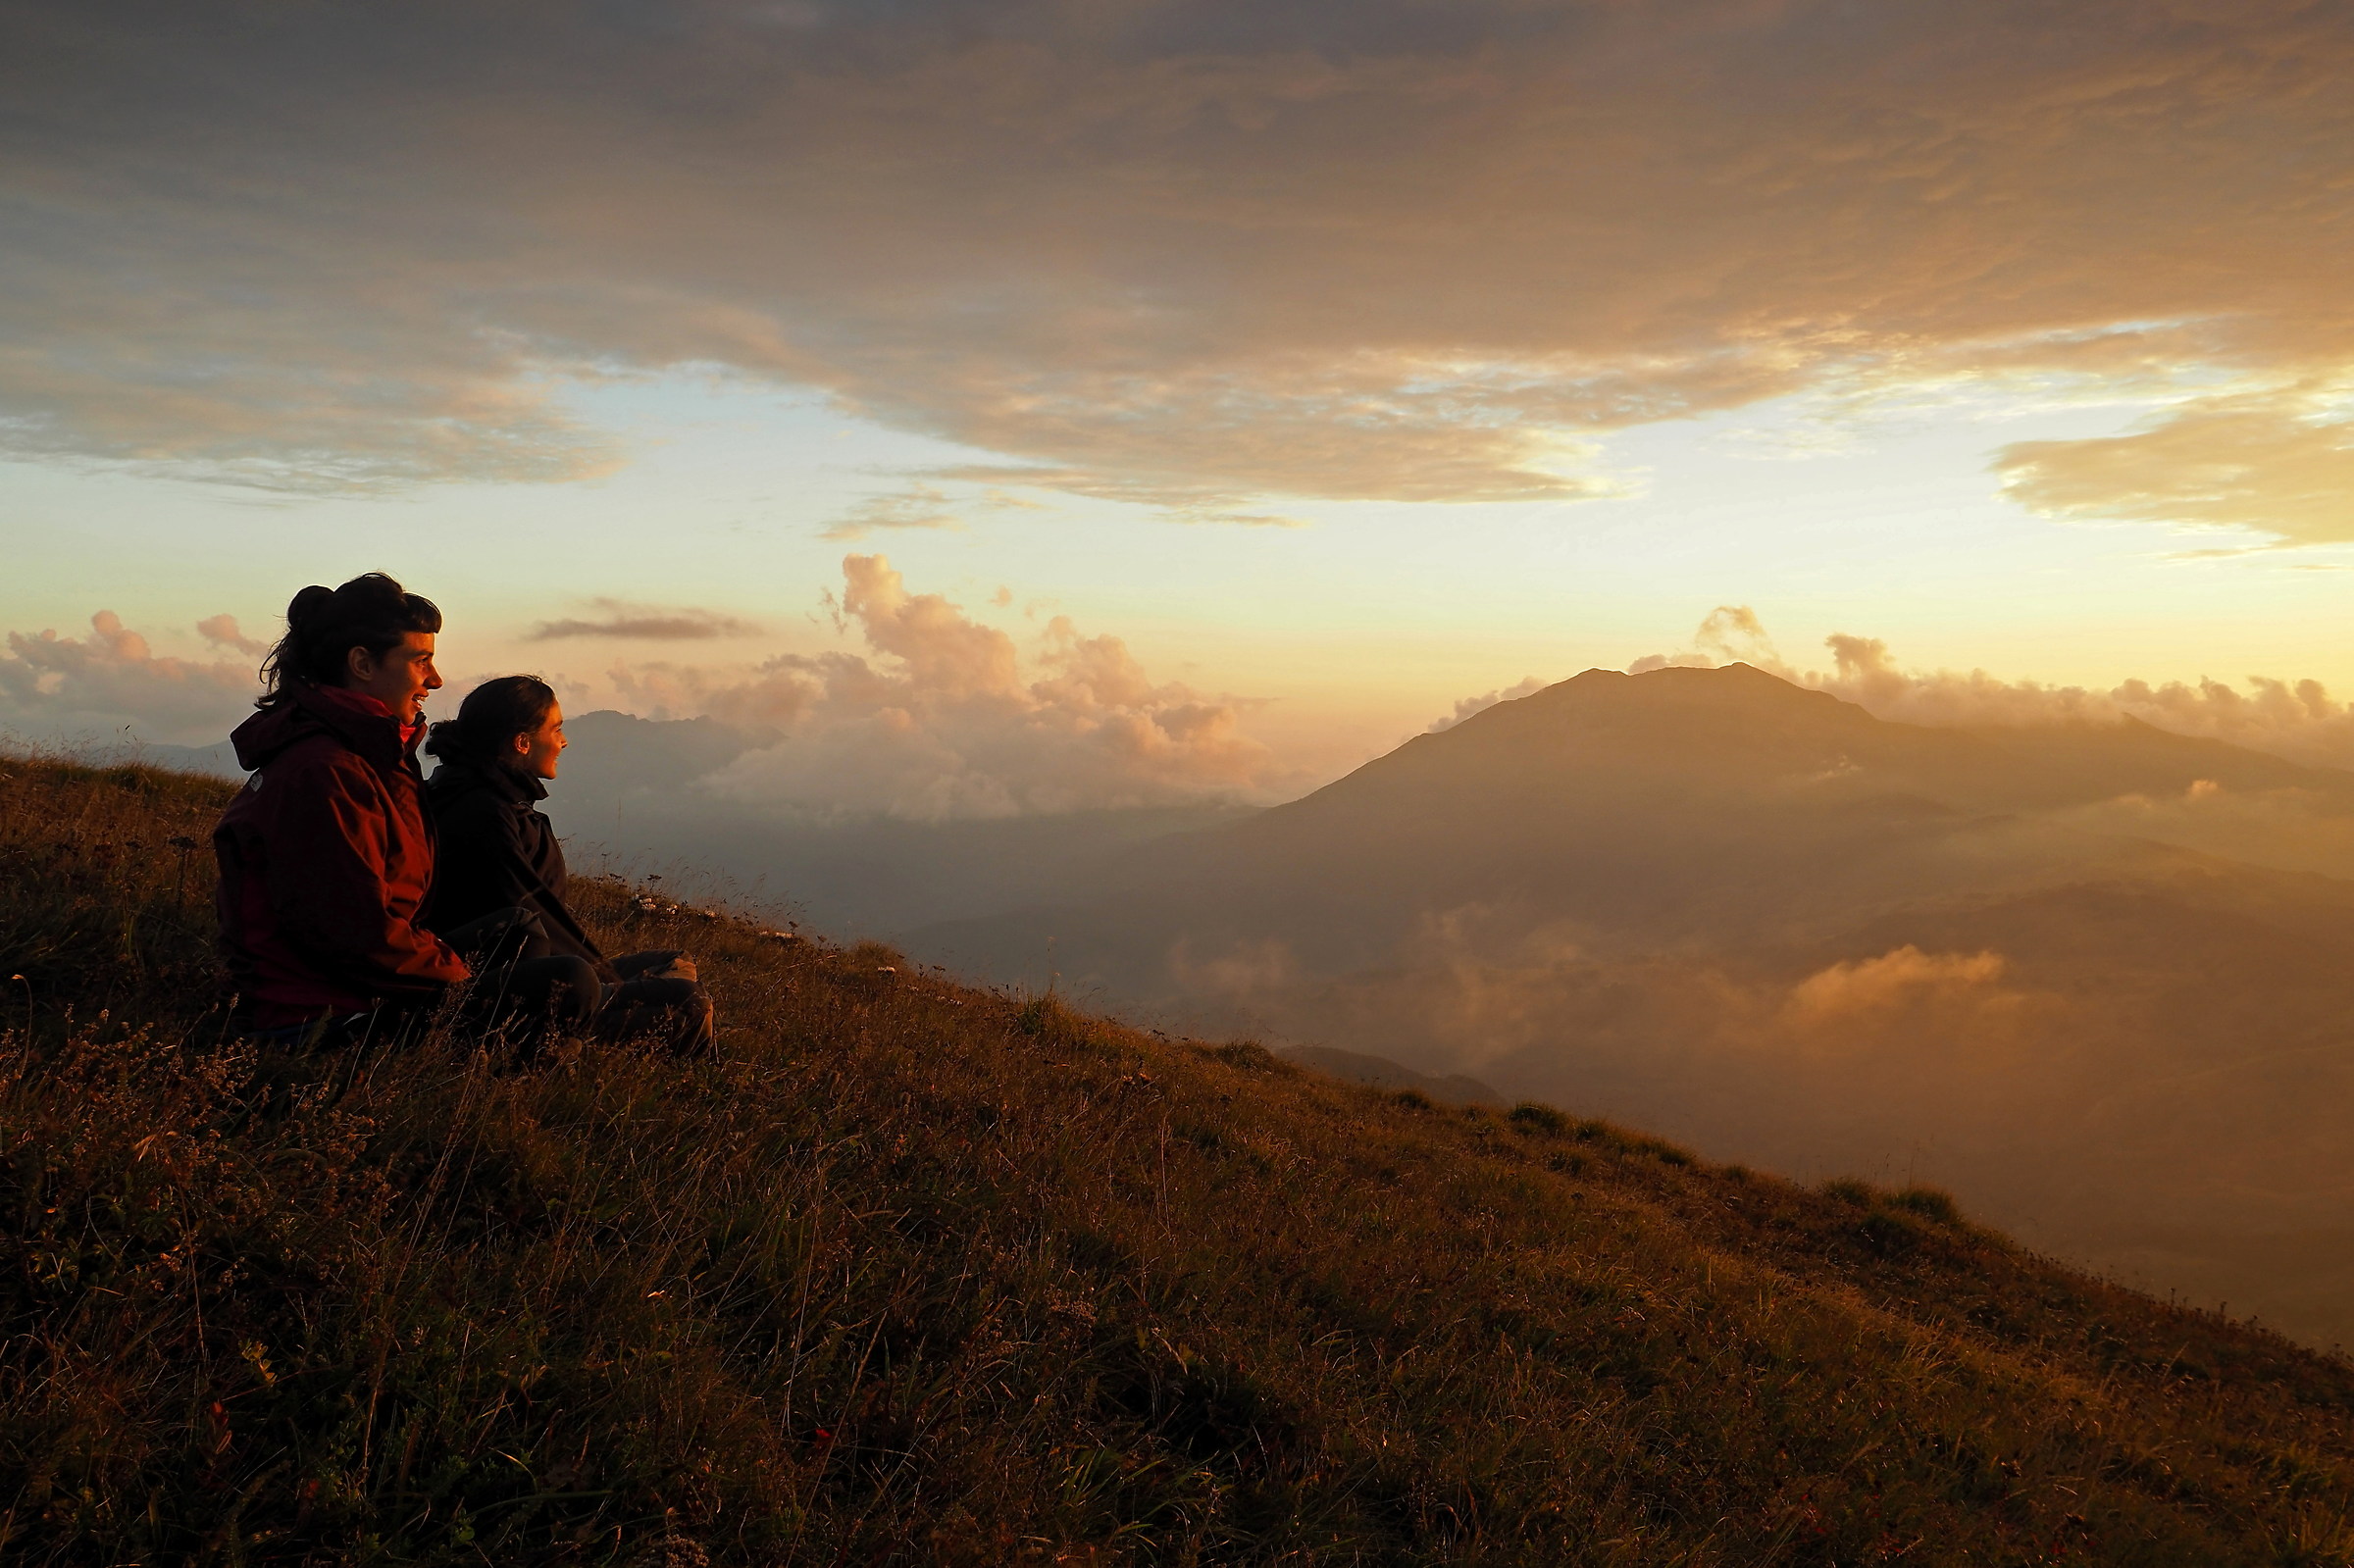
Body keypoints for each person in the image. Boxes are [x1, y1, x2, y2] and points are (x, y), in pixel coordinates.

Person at [212, 575, 596, 1047]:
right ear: (362, 664)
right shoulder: (325, 773)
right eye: (421, 661)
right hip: (318, 1020)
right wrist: (456, 977)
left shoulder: (367, 756)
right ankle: (571, 1055)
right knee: (568, 983)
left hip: (361, 985)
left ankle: (568, 1035)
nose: (435, 680)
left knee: (517, 931)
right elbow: (359, 934)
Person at [423, 676, 715, 1052]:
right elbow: (530, 915)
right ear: (522, 742)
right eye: (556, 729)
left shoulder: (483, 797)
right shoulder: (485, 813)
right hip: (529, 989)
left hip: (545, 972)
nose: (563, 741)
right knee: (688, 1000)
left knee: (675, 961)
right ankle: (678, 1078)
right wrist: (601, 979)